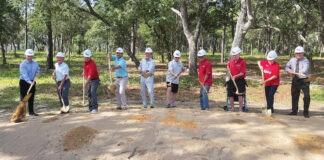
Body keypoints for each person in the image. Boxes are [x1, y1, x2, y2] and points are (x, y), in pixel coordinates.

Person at [285, 46, 310, 118]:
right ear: (295, 54)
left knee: (307, 96)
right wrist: (288, 70)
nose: (298, 55)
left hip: (305, 79)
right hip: (295, 79)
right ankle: (294, 111)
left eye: (300, 53)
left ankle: (306, 112)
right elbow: (286, 67)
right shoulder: (292, 60)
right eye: (297, 53)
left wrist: (300, 72)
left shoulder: (306, 60)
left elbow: (305, 68)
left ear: (303, 53)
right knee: (294, 95)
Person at [19, 49, 40, 116]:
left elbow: (38, 69)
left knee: (31, 97)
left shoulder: (35, 63)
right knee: (24, 98)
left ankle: (31, 112)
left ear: (33, 56)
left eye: (31, 56)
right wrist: (29, 82)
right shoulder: (23, 64)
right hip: (24, 82)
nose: (30, 57)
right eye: (28, 56)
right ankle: (21, 113)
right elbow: (24, 74)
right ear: (25, 56)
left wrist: (37, 73)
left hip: (32, 81)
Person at [227, 47, 246, 112]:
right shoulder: (231, 61)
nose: (234, 56)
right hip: (232, 80)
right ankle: (232, 108)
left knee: (239, 94)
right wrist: (228, 68)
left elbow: (242, 73)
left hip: (240, 80)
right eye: (233, 55)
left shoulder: (242, 61)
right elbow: (228, 65)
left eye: (235, 55)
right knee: (230, 94)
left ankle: (240, 108)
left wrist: (235, 76)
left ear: (239, 54)